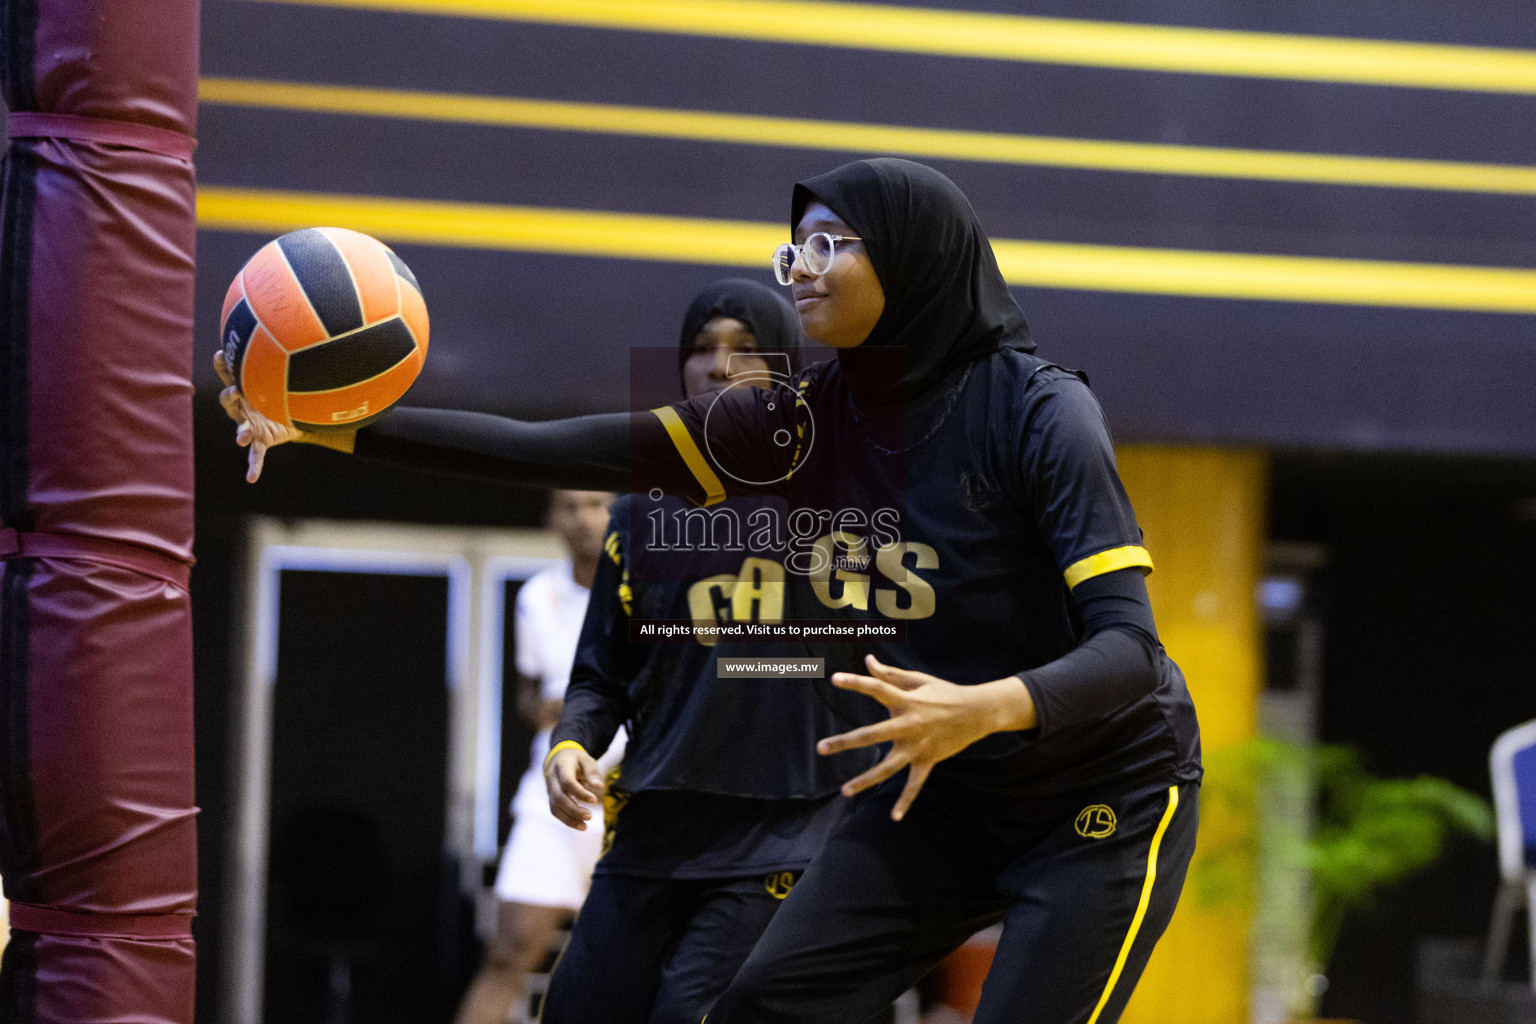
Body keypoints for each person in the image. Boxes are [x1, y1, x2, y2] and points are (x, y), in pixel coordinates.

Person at [218, 157, 1201, 1024]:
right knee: (763, 1006)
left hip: (1099, 794)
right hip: (942, 787)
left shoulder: (1041, 413)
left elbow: (1129, 651)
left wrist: (983, 708)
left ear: (913, 256)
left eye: (828, 245)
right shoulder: (799, 427)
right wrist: (326, 428)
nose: (799, 269)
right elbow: (550, 448)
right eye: (793, 250)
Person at [538, 279, 878, 1024]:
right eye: (702, 351)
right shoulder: (634, 515)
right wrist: (569, 746)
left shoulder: (840, 500)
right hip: (656, 825)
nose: (719, 368)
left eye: (746, 351)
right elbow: (601, 675)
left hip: (784, 829)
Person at [451, 488, 623, 1024]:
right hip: (555, 794)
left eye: (597, 503)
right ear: (552, 518)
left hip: (636, 797)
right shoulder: (536, 597)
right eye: (570, 506)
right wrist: (552, 708)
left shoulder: (654, 594)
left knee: (633, 963)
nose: (584, 517)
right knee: (509, 948)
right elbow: (527, 695)